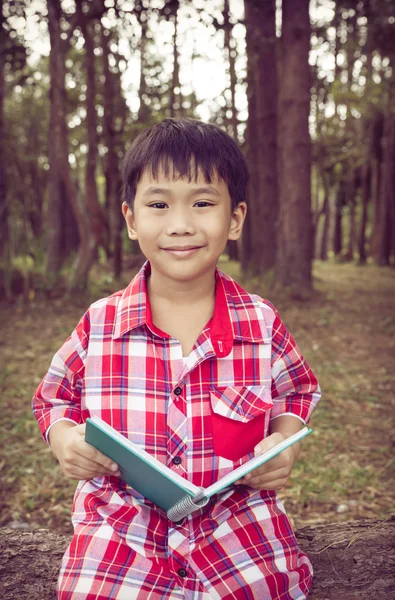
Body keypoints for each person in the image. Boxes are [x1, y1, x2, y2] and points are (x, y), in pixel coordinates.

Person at [33, 117, 321, 600]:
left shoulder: (260, 322)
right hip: (121, 527)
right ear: (131, 219)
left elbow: (298, 392)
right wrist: (64, 440)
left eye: (203, 203)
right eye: (159, 204)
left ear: (235, 219)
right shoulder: (101, 323)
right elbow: (53, 400)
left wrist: (284, 443)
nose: (181, 225)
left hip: (236, 522)